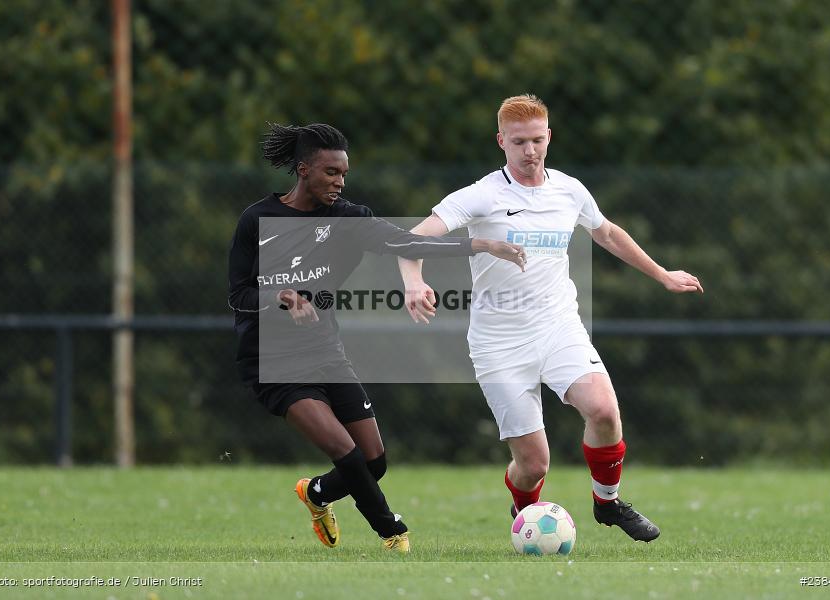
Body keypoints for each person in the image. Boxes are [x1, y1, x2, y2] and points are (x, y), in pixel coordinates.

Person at [397, 95, 703, 543]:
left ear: (549, 137)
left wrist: (662, 274)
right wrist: (413, 282)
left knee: (603, 410)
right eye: (519, 141)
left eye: (538, 140)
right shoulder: (482, 195)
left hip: (558, 325)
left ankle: (608, 503)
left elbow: (608, 233)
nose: (530, 151)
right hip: (498, 341)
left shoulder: (569, 190)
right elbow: (413, 239)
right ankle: (524, 517)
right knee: (534, 464)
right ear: (501, 141)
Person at [228, 122, 526, 553]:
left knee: (373, 461)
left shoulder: (349, 219)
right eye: (331, 172)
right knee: (346, 453)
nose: (340, 181)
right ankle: (392, 533)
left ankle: (316, 494)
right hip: (271, 361)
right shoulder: (256, 220)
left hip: (325, 352)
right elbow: (238, 295)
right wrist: (285, 296)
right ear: (303, 169)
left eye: (344, 173)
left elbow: (407, 243)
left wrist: (478, 245)